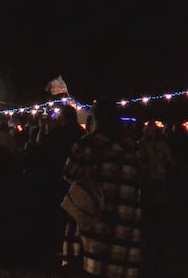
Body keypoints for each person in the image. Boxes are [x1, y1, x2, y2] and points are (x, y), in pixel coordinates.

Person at [61, 98, 144, 277]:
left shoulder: (89, 144)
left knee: (94, 266)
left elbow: (69, 173)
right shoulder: (132, 148)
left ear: (95, 118)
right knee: (118, 265)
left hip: (95, 220)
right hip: (125, 221)